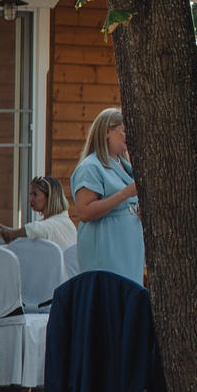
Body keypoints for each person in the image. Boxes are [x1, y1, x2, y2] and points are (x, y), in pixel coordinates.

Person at [68, 107, 143, 282]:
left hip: (130, 247)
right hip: (106, 246)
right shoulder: (91, 167)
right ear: (107, 131)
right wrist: (124, 194)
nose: (129, 135)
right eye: (124, 130)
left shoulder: (125, 165)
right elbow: (84, 212)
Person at [0, 175, 77, 250]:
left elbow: (34, 229)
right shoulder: (54, 222)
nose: (30, 199)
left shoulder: (59, 223)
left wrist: (13, 233)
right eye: (30, 194)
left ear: (50, 197)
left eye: (35, 194)